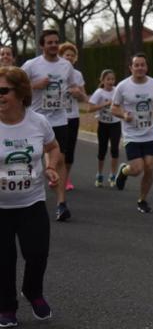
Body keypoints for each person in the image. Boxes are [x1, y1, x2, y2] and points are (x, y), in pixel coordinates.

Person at [0, 67, 59, 327]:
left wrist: (50, 166)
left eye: (3, 91)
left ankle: (32, 291)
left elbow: (52, 147)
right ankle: (6, 307)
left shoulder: (38, 122)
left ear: (21, 92)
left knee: (37, 253)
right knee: (3, 260)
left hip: (31, 202)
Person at [21, 29, 81, 222]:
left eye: (56, 42)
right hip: (35, 119)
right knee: (32, 158)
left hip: (59, 119)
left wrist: (73, 91)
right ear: (42, 45)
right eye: (49, 42)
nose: (54, 45)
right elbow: (16, 86)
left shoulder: (66, 66)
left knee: (59, 159)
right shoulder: (31, 65)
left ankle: (61, 204)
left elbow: (74, 86)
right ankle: (28, 197)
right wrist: (35, 85)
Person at [111, 53, 153, 213]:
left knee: (149, 167)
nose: (140, 68)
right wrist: (123, 115)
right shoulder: (122, 86)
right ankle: (124, 171)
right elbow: (113, 108)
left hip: (151, 134)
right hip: (132, 135)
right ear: (131, 68)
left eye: (143, 65)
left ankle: (142, 200)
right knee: (136, 169)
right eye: (137, 65)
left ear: (146, 67)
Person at [58, 42, 87, 191]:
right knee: (57, 150)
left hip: (72, 116)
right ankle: (56, 175)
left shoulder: (77, 75)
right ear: (61, 56)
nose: (69, 57)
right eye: (66, 55)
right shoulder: (55, 71)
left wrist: (78, 94)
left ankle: (65, 178)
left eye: (71, 55)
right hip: (56, 116)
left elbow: (85, 98)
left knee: (69, 151)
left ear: (75, 58)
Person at [88, 69, 121, 188]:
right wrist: (105, 104)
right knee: (102, 151)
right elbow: (90, 108)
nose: (111, 81)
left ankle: (113, 175)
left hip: (115, 124)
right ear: (102, 80)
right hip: (103, 125)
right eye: (108, 79)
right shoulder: (99, 92)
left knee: (115, 150)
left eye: (112, 79)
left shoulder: (118, 90)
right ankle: (100, 174)